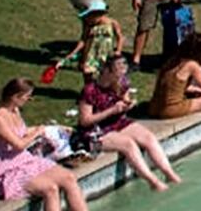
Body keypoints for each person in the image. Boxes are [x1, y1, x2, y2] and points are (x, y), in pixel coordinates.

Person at [77, 55, 180, 192]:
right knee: (129, 145)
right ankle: (153, 181)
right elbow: (85, 121)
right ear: (107, 71)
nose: (121, 78)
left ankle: (169, 174)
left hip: (117, 122)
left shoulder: (122, 82)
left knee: (148, 137)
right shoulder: (90, 91)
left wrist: (128, 105)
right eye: (117, 74)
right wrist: (111, 111)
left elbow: (125, 100)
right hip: (95, 131)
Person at [0, 78, 88, 209]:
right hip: (4, 168)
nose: (29, 100)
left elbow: (22, 131)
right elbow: (19, 144)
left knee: (69, 178)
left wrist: (52, 128)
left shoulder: (14, 110)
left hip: (23, 160)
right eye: (27, 97)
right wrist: (37, 132)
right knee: (50, 189)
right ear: (16, 96)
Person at [148, 33, 201, 119]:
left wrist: (196, 89)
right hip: (171, 110)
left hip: (154, 108)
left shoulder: (171, 61)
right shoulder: (191, 65)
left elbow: (173, 86)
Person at [55, 1, 123, 82]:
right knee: (87, 72)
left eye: (89, 16)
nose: (87, 19)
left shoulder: (112, 23)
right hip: (91, 54)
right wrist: (73, 53)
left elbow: (120, 37)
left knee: (105, 75)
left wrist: (118, 50)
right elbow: (83, 40)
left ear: (98, 14)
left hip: (105, 54)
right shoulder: (90, 26)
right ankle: (88, 88)